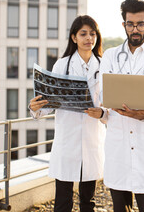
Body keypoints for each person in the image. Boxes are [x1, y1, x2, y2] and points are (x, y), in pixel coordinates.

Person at [99, 0, 144, 212]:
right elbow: (105, 92)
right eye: (130, 24)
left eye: (140, 24)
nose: (135, 29)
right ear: (124, 25)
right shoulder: (111, 57)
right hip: (119, 148)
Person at [29, 15, 106, 212]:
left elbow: (110, 106)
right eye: (83, 34)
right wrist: (36, 108)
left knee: (88, 202)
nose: (89, 38)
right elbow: (52, 102)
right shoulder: (61, 65)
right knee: (62, 201)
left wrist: (103, 113)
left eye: (92, 33)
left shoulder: (105, 66)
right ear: (74, 38)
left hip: (91, 140)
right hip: (67, 140)